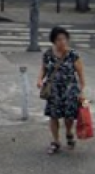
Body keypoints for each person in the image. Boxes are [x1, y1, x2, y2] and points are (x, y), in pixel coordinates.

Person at [37, 26, 87, 155]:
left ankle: (69, 132)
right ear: (54, 41)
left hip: (70, 90)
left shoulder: (73, 55)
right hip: (53, 90)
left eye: (64, 39)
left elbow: (81, 75)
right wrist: (39, 79)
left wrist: (82, 91)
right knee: (53, 116)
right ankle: (55, 141)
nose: (62, 42)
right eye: (59, 39)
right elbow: (44, 69)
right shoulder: (48, 54)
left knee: (69, 116)